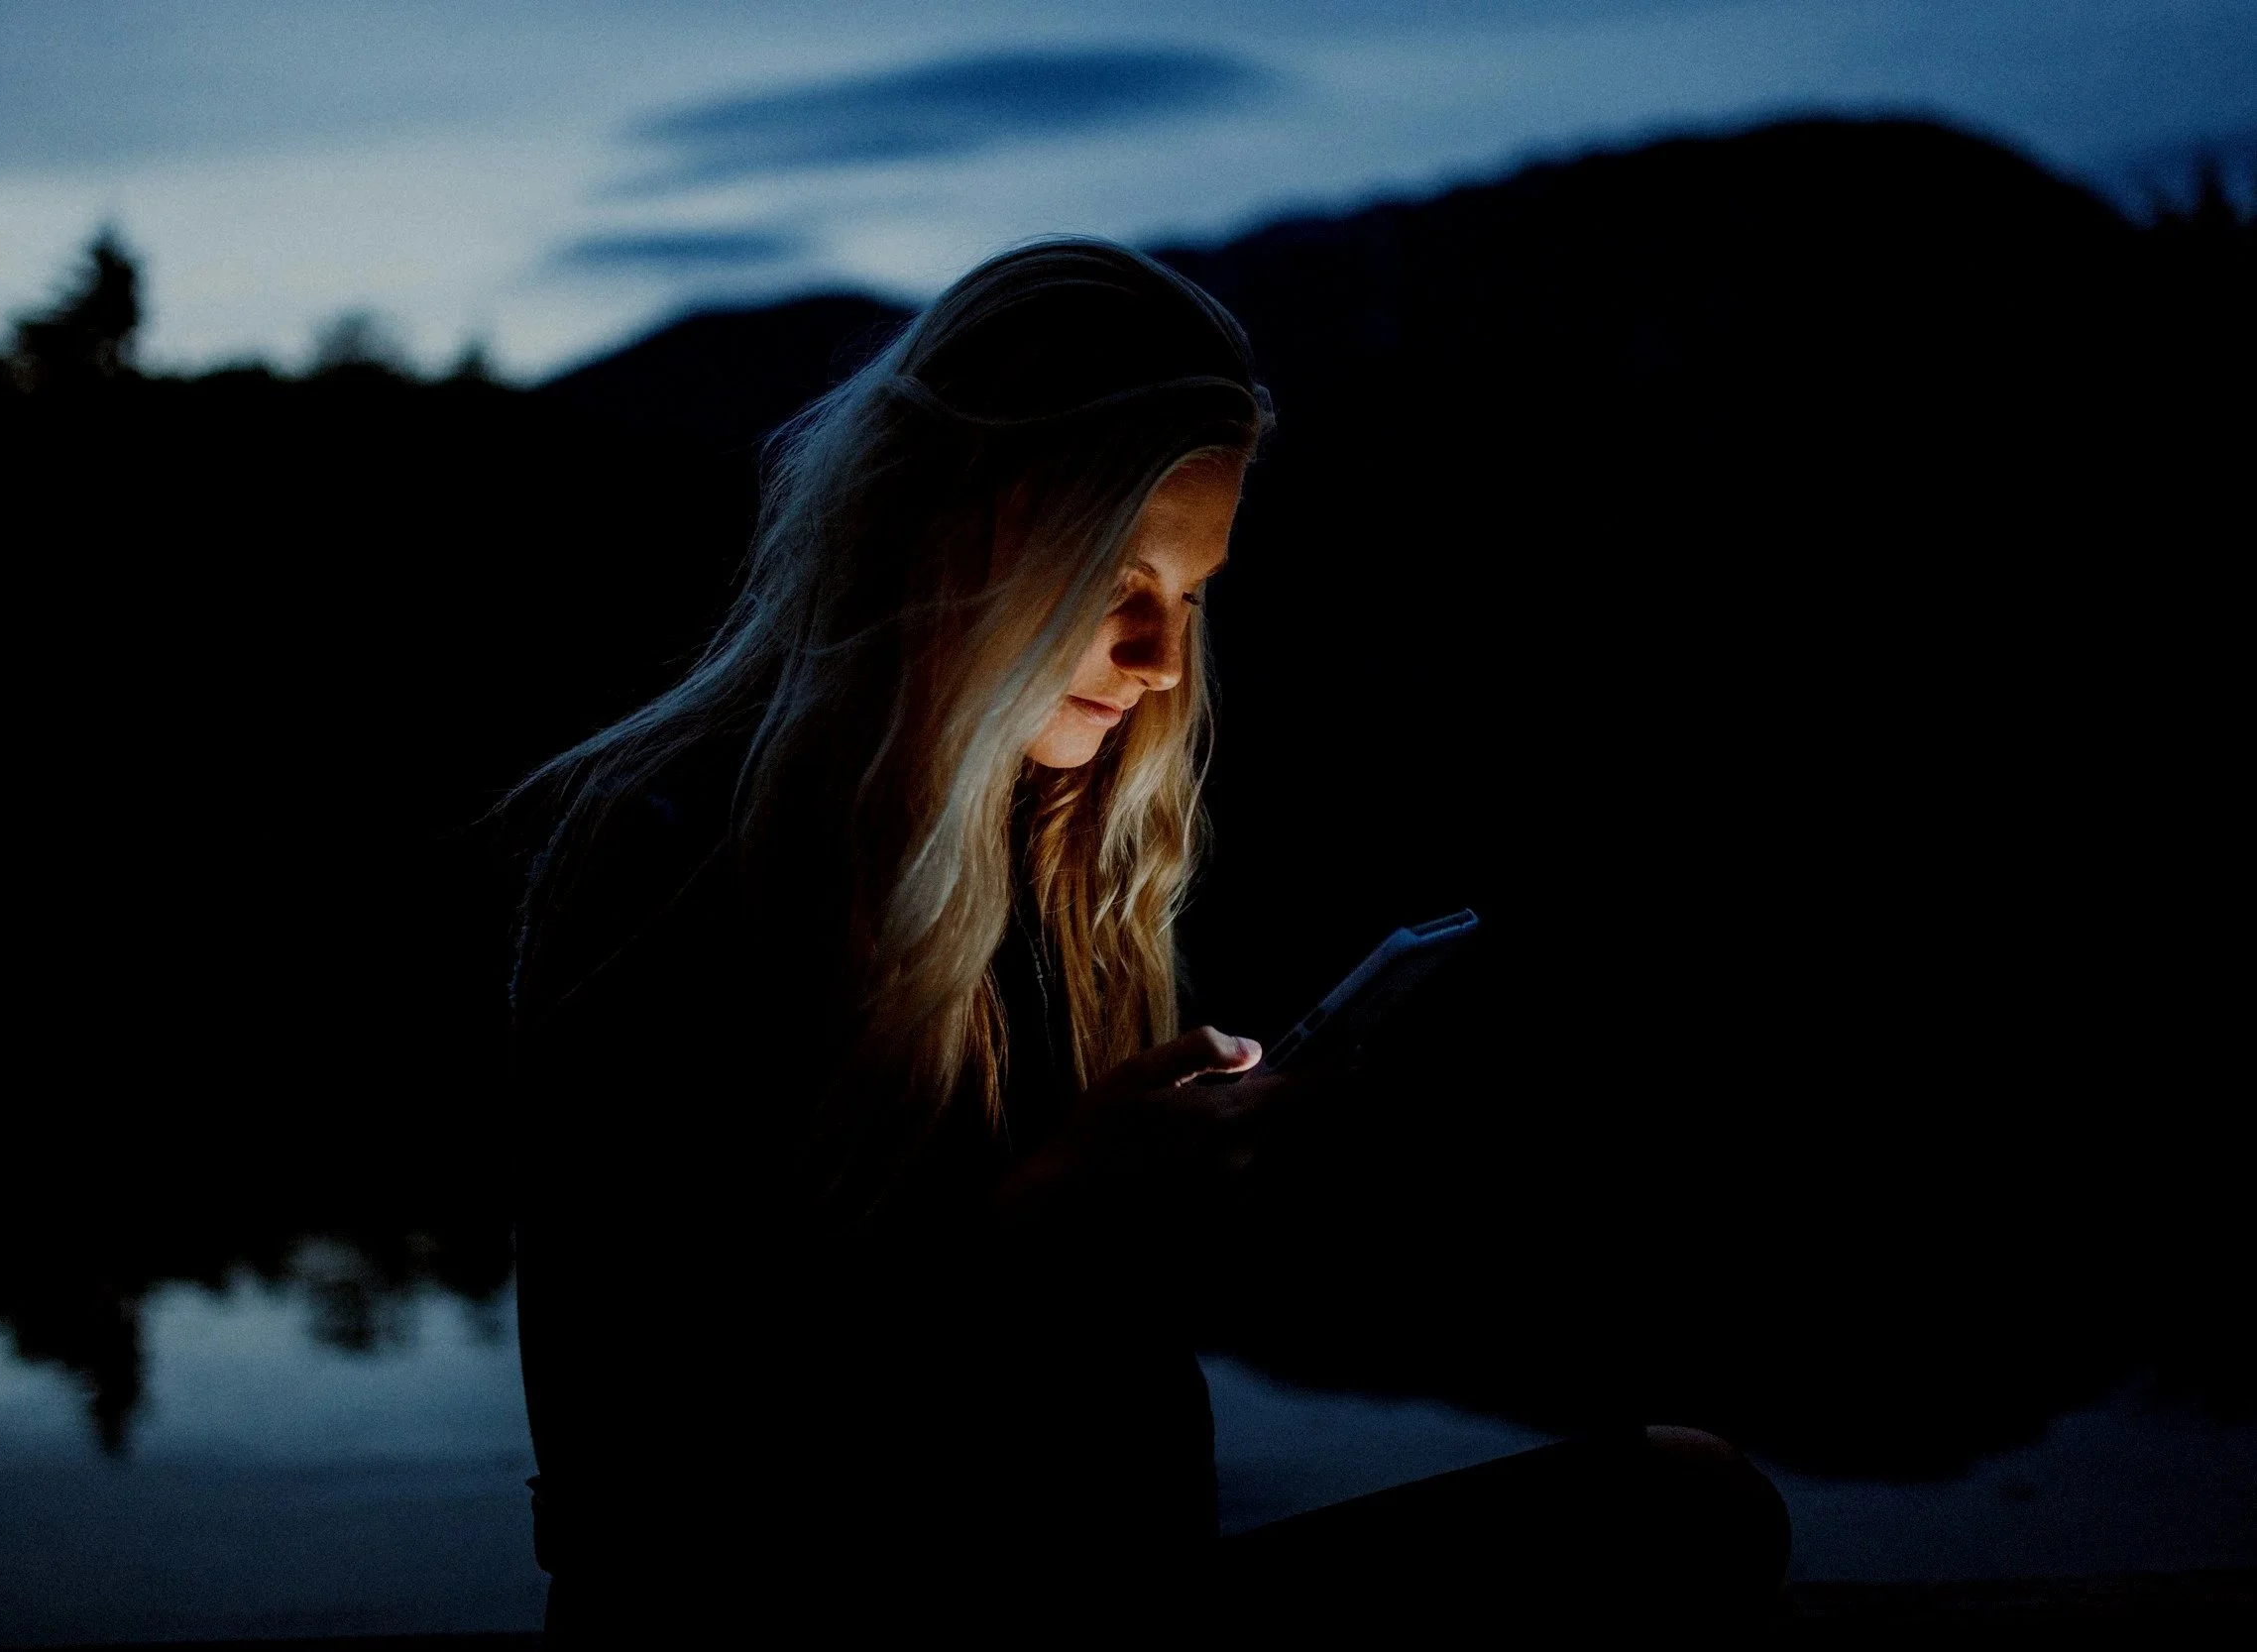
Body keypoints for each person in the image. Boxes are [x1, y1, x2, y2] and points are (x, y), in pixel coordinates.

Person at [508, 239, 1788, 1640]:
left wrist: (1194, 1202)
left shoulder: (1051, 861)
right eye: (1118, 574)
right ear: (956, 526)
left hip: (1100, 1606)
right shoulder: (676, 848)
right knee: (1682, 1511)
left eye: (1189, 594)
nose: (1161, 657)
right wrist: (1050, 1223)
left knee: (1696, 1496)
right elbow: (643, 1492)